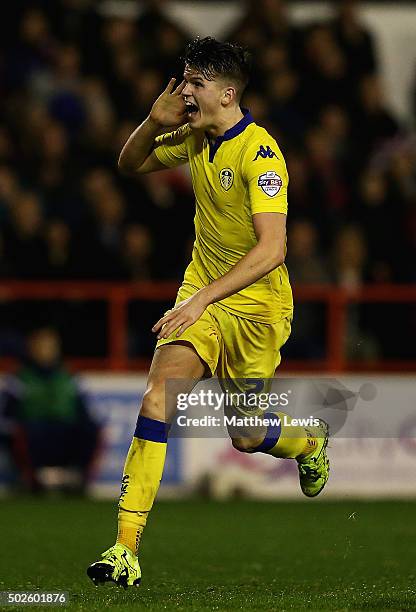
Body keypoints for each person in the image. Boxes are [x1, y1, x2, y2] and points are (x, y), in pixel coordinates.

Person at [87, 37, 330, 588]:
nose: (184, 91)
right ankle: (124, 550)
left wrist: (201, 298)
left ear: (226, 93)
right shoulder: (196, 136)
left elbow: (273, 250)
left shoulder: (261, 154)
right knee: (157, 396)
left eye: (194, 83)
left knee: (245, 435)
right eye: (184, 80)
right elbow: (129, 163)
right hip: (205, 295)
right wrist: (152, 122)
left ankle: (309, 441)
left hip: (258, 310)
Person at [1, 327, 102, 493]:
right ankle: (32, 478)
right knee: (22, 432)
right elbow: (6, 417)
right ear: (31, 349)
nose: (46, 351)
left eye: (50, 346)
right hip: (34, 433)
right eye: (41, 346)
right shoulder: (19, 378)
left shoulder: (69, 377)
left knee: (90, 430)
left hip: (64, 432)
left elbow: (85, 413)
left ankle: (77, 477)